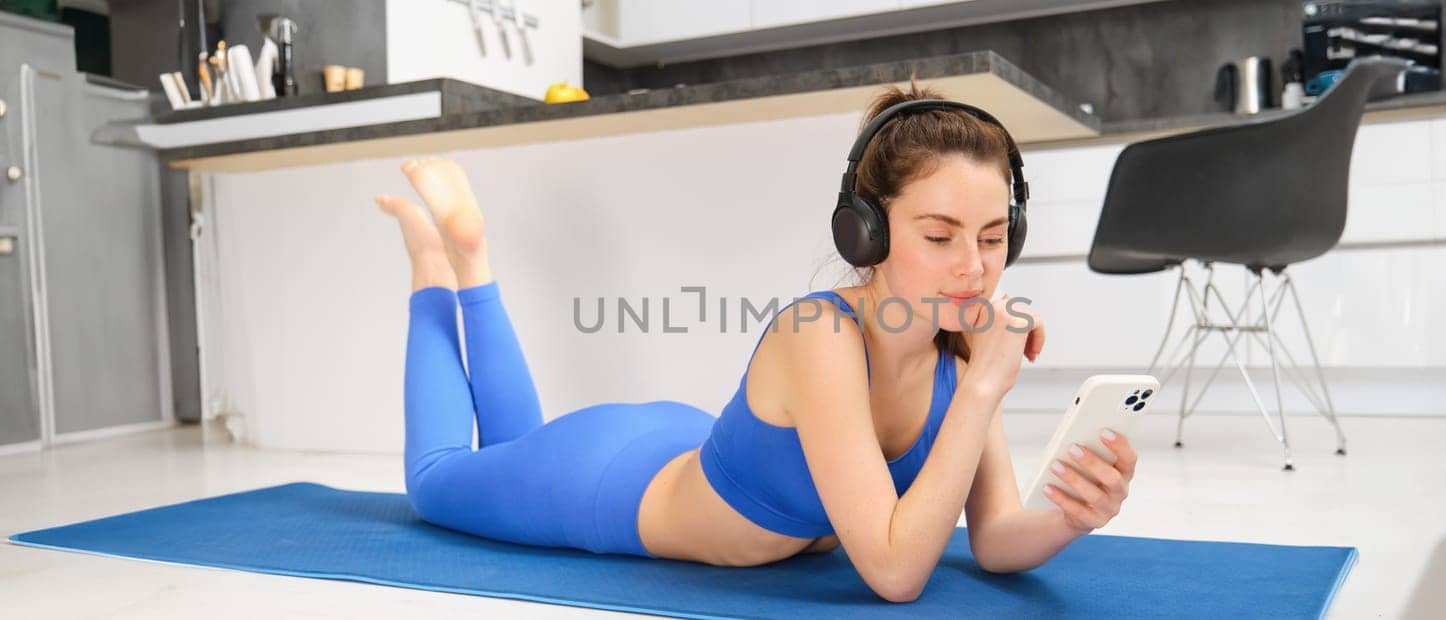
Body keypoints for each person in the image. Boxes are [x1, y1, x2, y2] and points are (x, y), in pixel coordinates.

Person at [374, 81, 1138, 603]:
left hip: (687, 444)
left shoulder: (959, 343)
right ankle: (444, 265)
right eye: (939, 236)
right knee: (440, 480)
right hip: (611, 483)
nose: (974, 267)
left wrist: (1071, 515)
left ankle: (470, 259)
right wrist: (982, 390)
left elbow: (996, 537)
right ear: (866, 232)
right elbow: (896, 572)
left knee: (516, 449)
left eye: (995, 236)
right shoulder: (820, 334)